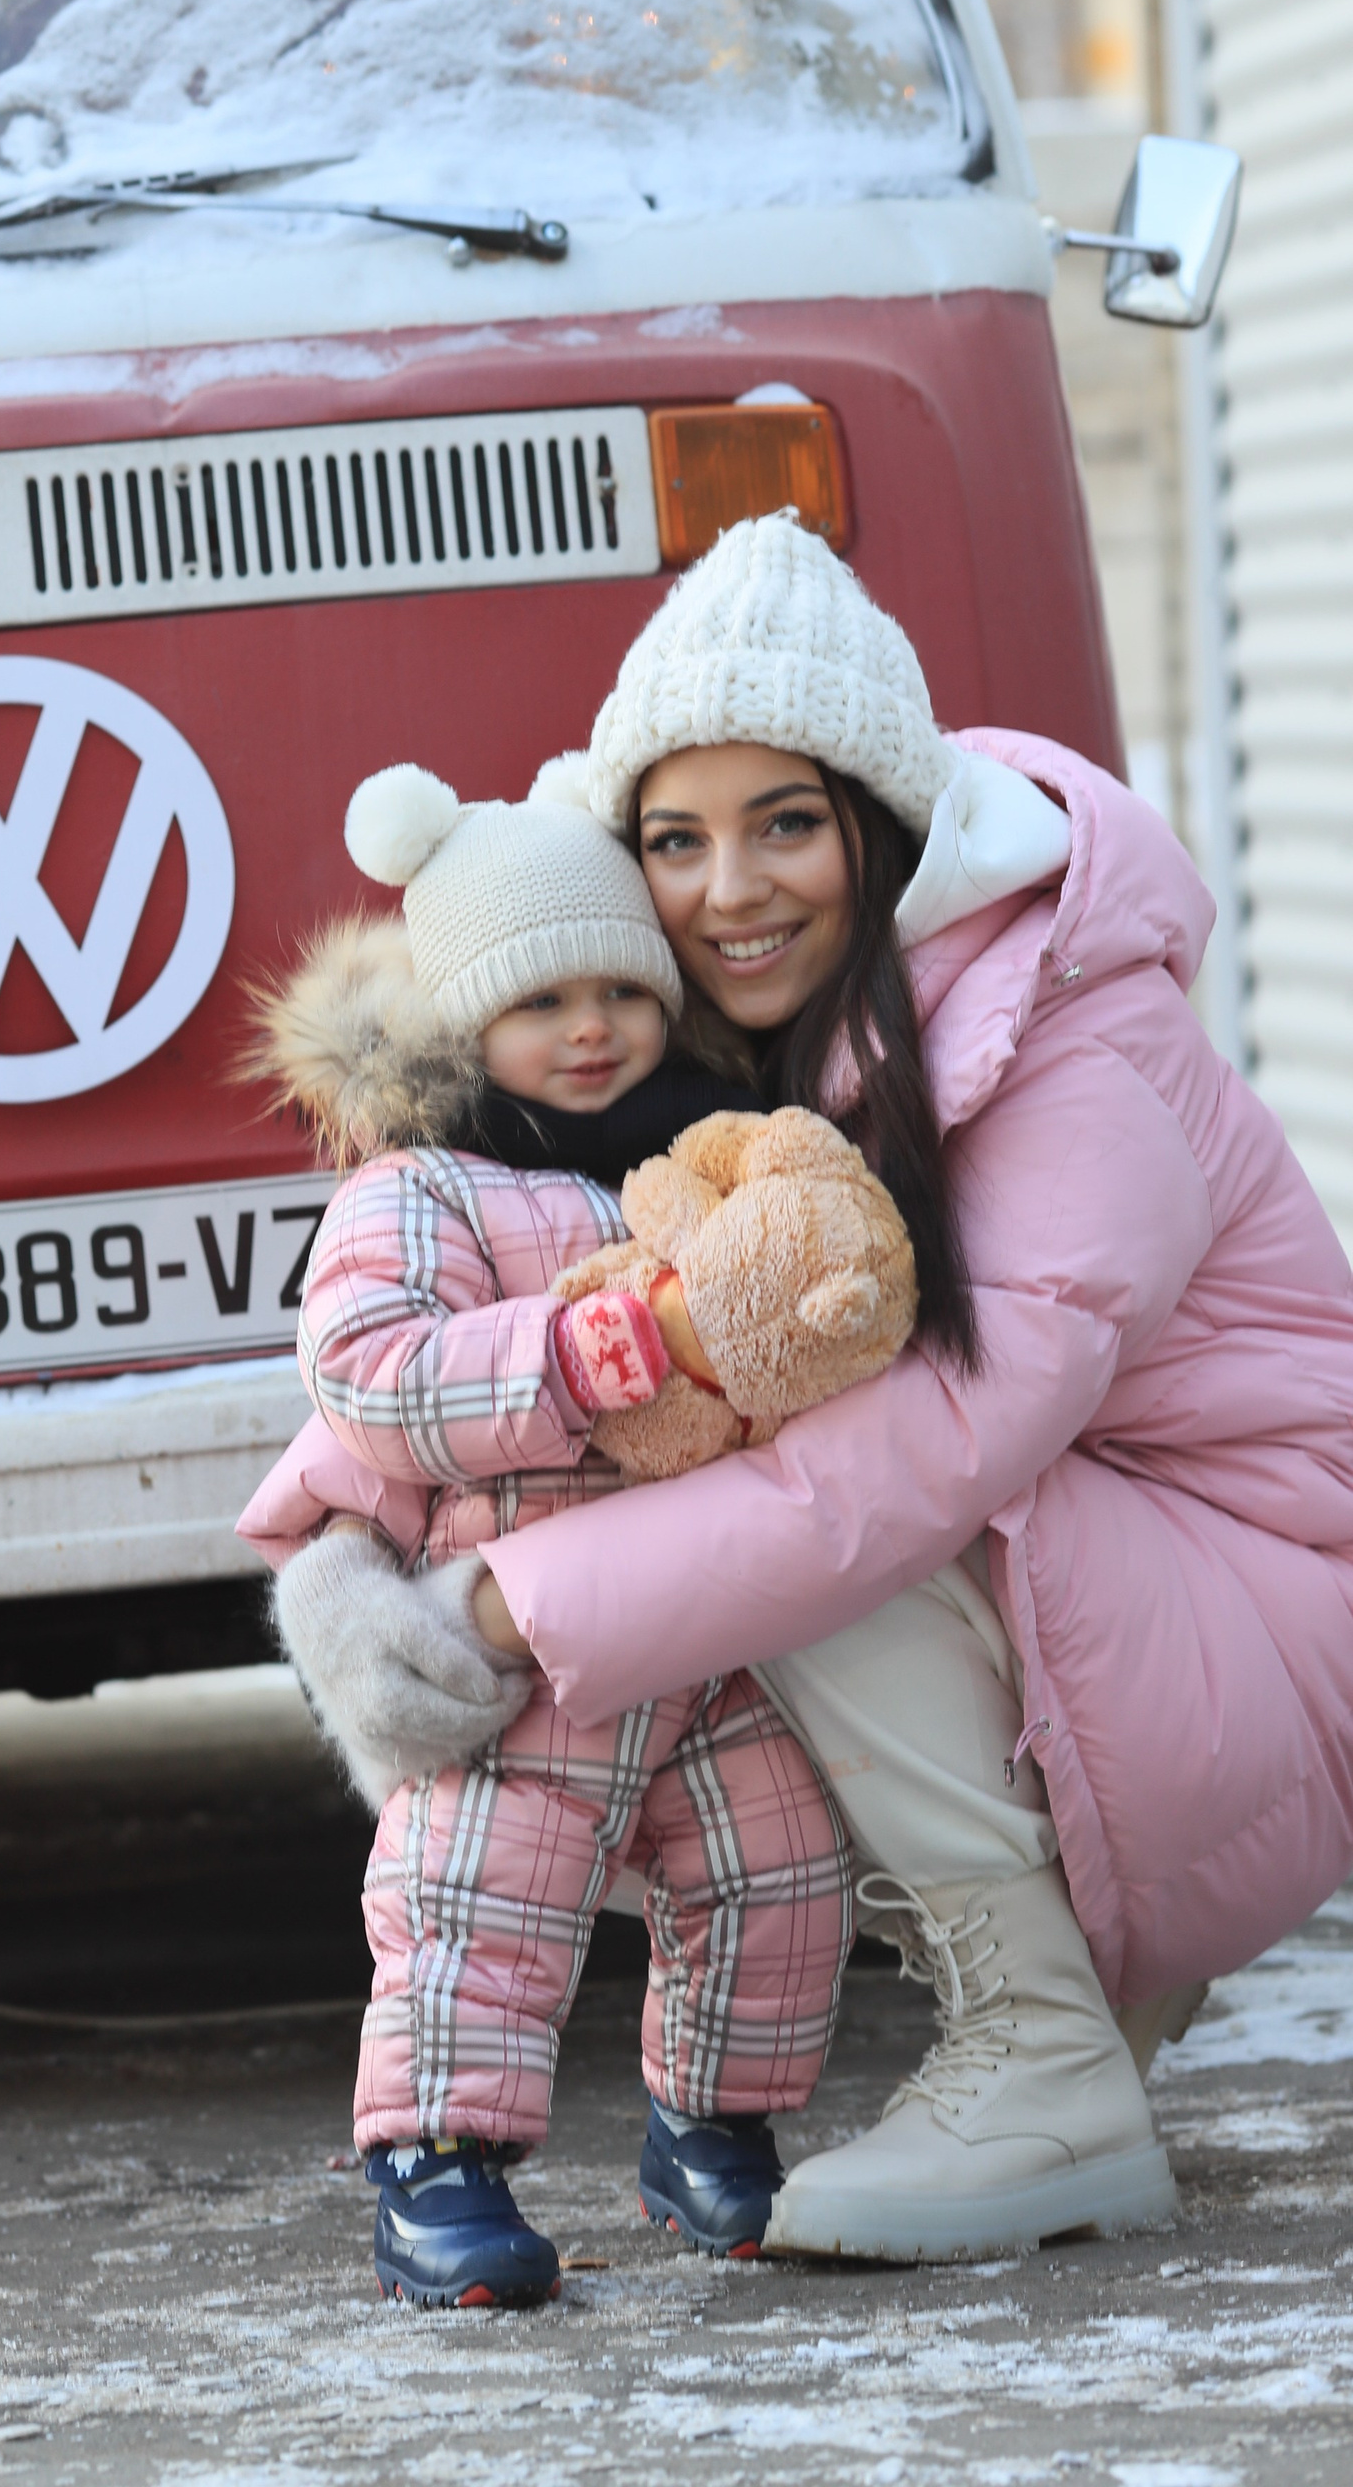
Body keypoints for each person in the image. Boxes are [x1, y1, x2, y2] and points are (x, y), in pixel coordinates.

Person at [271, 511, 1353, 2263]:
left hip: (1272, 1633)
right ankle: (1086, 2000)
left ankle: (1044, 2055)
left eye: (786, 823)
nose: (730, 889)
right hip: (1156, 1619)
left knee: (809, 1507)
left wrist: (502, 1600)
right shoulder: (742, 1041)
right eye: (676, 840)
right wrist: (335, 1554)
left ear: (882, 820)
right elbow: (492, 1300)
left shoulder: (1077, 1042)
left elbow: (923, 1460)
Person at [239, 757, 859, 2305]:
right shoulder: (425, 1188)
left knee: (777, 1868)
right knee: (482, 1894)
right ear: (466, 1022)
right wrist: (573, 1360)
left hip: (711, 1608)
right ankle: (437, 2166)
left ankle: (714, 2129)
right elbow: (371, 1370)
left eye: (621, 992)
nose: (590, 1029)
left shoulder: (707, 1153)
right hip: (516, 1616)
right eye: (541, 1002)